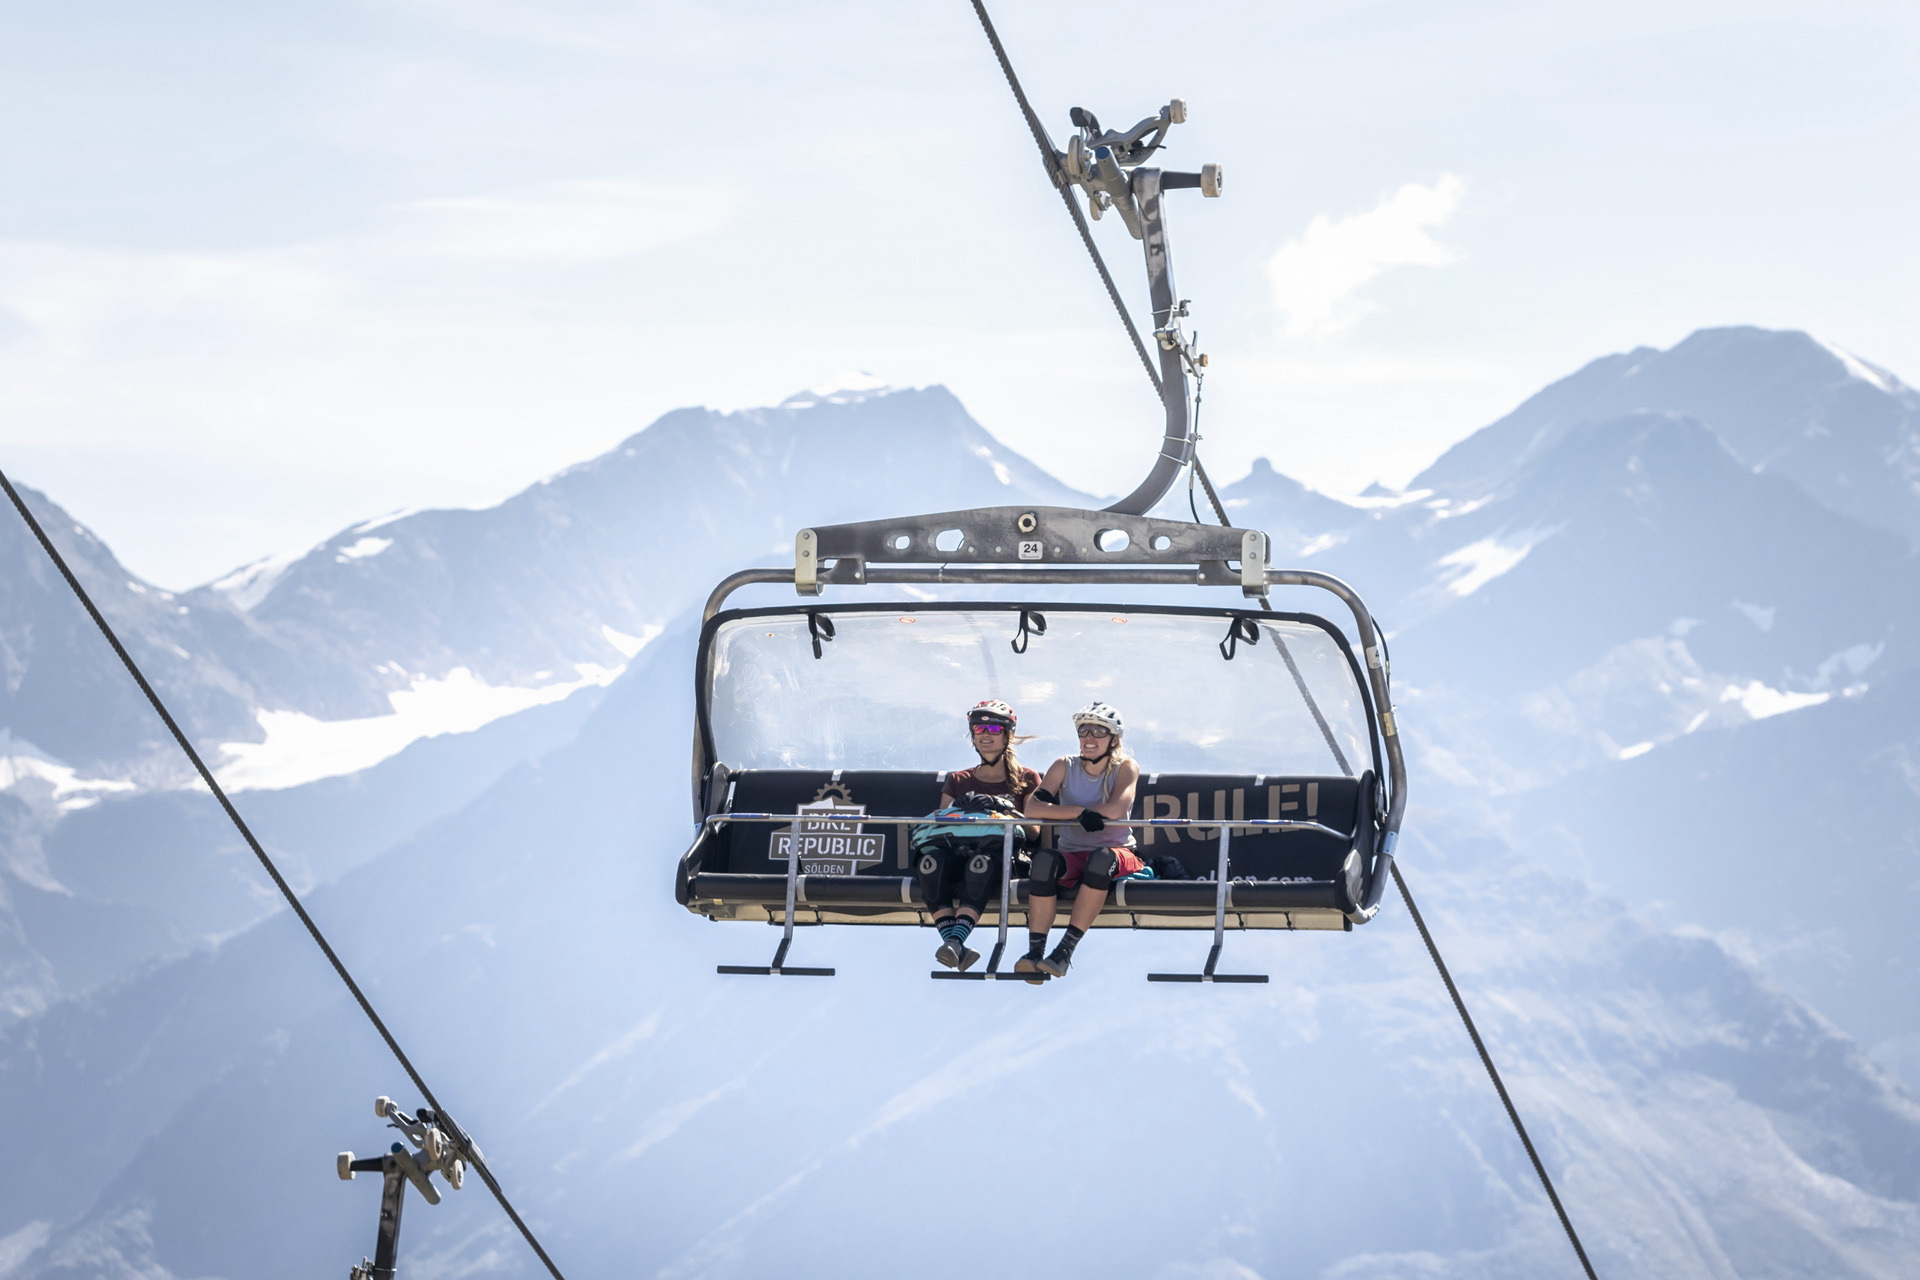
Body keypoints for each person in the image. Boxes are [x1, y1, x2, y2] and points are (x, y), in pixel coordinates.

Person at [1016, 701, 1144, 980]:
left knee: (1101, 859)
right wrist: (1077, 812)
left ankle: (1064, 951)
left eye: (1099, 732)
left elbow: (1115, 810)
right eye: (1084, 731)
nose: (1089, 738)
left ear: (1114, 739)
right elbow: (1033, 810)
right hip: (1072, 853)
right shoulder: (1064, 765)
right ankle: (1035, 953)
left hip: (1117, 852)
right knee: (1043, 861)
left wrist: (1061, 814)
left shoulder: (1125, 767)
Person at [918, 699, 1041, 970]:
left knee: (980, 865)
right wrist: (957, 807)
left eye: (995, 729)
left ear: (1008, 735)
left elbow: (1034, 831)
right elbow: (940, 827)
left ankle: (953, 942)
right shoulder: (959, 780)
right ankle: (954, 945)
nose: (985, 735)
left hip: (1002, 857)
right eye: (978, 729)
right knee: (931, 864)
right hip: (957, 852)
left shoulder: (1027, 778)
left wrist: (1001, 806)